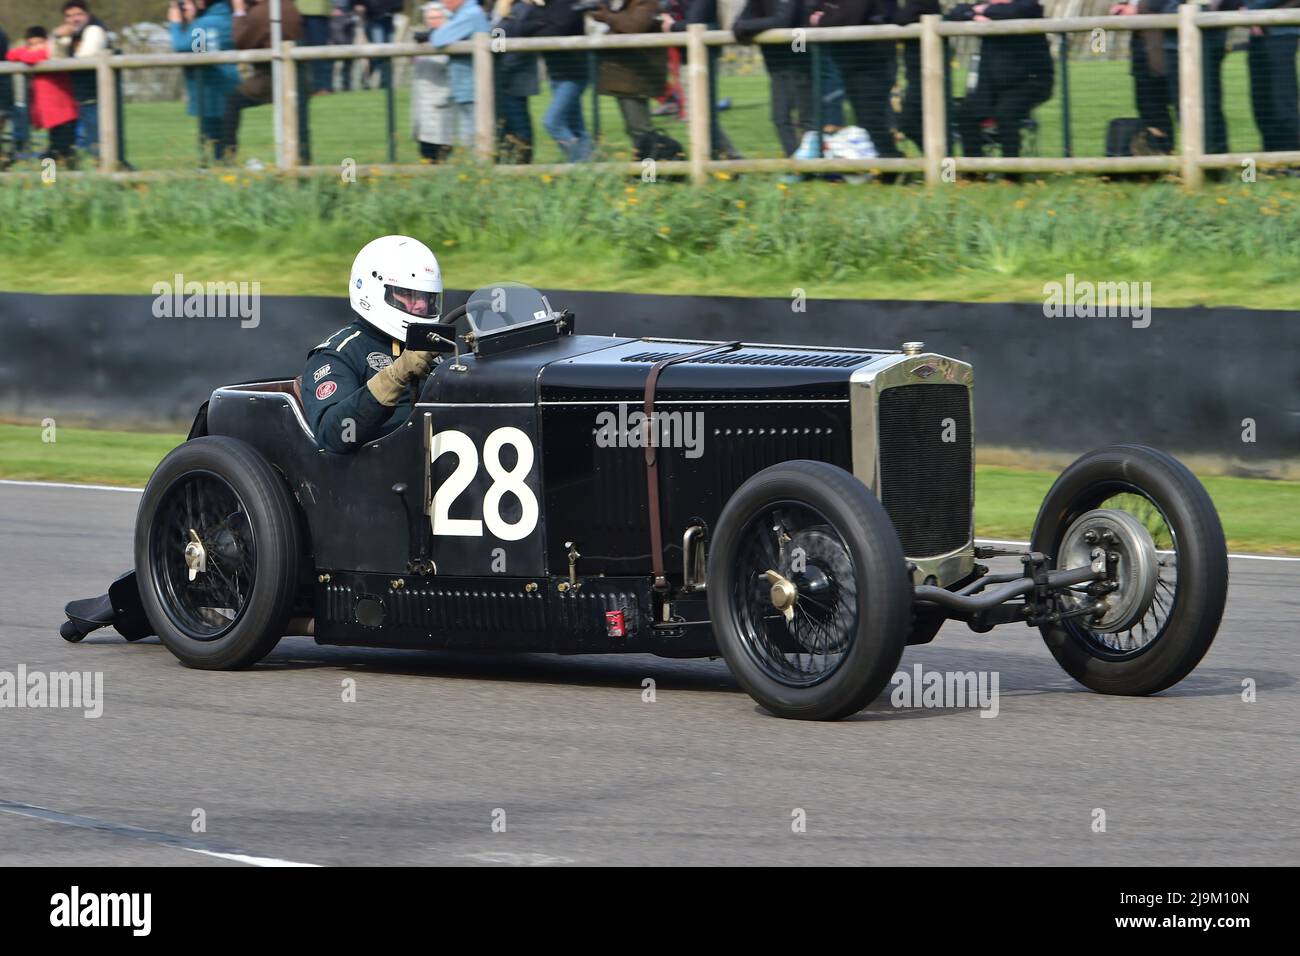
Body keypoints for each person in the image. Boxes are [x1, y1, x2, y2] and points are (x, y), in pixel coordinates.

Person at [303, 236, 443, 454]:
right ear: (372, 290)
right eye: (408, 294)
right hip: (383, 472)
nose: (421, 305)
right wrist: (396, 375)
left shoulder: (436, 347)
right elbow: (335, 435)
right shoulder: (339, 353)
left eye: (427, 297)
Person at [951, 0, 1052, 159]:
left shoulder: (1028, 6)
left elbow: (1015, 11)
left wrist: (984, 11)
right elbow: (956, 13)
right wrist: (976, 14)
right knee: (966, 113)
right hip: (994, 85)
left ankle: (1011, 175)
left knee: (1005, 112)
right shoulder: (989, 6)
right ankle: (975, 172)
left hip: (1030, 81)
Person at [810, 0, 902, 162]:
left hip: (872, 62)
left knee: (872, 118)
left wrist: (822, 19)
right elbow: (811, 14)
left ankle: (894, 162)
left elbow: (849, 17)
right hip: (848, 62)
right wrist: (825, 16)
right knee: (865, 119)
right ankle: (886, 162)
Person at [220, 0, 303, 161]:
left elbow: (241, 42)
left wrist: (239, 13)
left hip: (270, 76)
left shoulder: (260, 13)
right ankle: (302, 160)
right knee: (300, 122)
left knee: (232, 102)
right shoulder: (289, 6)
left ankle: (227, 158)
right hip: (296, 74)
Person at [659, 0, 740, 158]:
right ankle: (720, 159)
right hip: (686, 57)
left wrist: (671, 26)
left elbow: (695, 23)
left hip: (702, 59)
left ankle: (729, 158)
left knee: (701, 116)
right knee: (697, 117)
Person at [733, 0, 814, 157]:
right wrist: (744, 27)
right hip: (777, 65)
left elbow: (783, 21)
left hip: (800, 60)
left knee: (807, 118)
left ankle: (813, 163)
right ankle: (797, 163)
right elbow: (737, 25)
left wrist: (748, 27)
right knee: (780, 118)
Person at [590, 0, 668, 152]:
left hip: (637, 76)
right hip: (625, 76)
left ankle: (649, 175)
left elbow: (634, 26)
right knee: (635, 131)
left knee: (642, 132)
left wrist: (607, 16)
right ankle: (643, 172)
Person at [169, 0, 242, 161]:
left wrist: (176, 24)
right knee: (227, 147)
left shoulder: (203, 24)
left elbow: (186, 48)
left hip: (210, 95)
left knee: (209, 149)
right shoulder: (227, 18)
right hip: (228, 91)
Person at [6, 27, 79, 165]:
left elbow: (32, 57)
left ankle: (50, 181)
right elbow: (10, 55)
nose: (36, 47)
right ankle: (63, 182)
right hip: (53, 118)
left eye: (39, 42)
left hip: (65, 115)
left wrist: (26, 53)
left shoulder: (51, 54)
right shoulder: (35, 55)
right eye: (31, 44)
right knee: (62, 153)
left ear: (47, 41)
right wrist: (25, 51)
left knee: (54, 154)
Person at [531, 0, 592, 161]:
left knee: (552, 122)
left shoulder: (565, 3)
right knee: (577, 128)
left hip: (573, 73)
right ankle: (588, 165)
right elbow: (521, 28)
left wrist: (533, 34)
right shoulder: (543, 7)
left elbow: (557, 30)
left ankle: (579, 165)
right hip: (557, 74)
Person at [1110, 1, 1173, 154]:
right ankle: (1159, 154)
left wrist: (1137, 9)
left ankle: (1166, 153)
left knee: (1159, 106)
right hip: (1142, 44)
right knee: (1146, 104)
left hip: (1163, 45)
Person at [431, 0, 491, 148]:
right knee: (469, 139)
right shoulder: (464, 14)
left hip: (472, 88)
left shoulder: (470, 14)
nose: (444, 2)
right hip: (466, 87)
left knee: (471, 141)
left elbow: (438, 39)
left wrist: (434, 32)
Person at [53, 1, 108, 157]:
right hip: (66, 103)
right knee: (58, 149)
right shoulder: (70, 35)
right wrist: (57, 38)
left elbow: (84, 57)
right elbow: (53, 58)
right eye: (69, 16)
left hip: (91, 99)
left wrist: (62, 44)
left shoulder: (94, 30)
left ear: (87, 15)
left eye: (78, 14)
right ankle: (51, 180)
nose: (74, 19)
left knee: (96, 145)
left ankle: (52, 179)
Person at [1244, 0, 1300, 154]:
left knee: (1282, 99)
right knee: (1261, 101)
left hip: (1282, 32)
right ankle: (1272, 156)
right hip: (1257, 34)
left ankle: (1292, 157)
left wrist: (1251, 10)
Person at [492, 0, 541, 163]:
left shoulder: (523, 10)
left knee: (518, 123)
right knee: (510, 123)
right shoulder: (510, 12)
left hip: (513, 78)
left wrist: (503, 69)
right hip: (508, 76)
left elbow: (507, 42)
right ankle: (513, 161)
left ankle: (522, 163)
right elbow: (498, 39)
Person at [893, 0, 939, 151]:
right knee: (918, 122)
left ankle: (947, 171)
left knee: (910, 121)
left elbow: (902, 18)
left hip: (930, 69)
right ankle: (937, 164)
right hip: (917, 70)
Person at [412, 2, 455, 161]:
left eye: (436, 17)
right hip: (423, 101)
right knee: (425, 145)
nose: (432, 21)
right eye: (429, 18)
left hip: (440, 100)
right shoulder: (425, 39)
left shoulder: (450, 38)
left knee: (441, 143)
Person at [297, 0, 335, 93]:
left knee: (319, 52)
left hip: (317, 12)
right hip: (298, 12)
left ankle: (322, 86)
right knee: (301, 54)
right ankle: (313, 86)